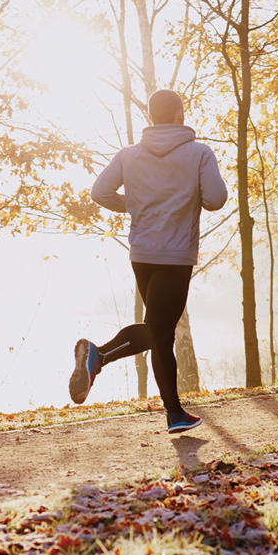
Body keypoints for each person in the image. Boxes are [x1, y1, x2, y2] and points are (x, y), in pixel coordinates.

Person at [69, 89, 228, 434]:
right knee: (160, 330)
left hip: (142, 254)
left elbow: (100, 192)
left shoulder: (129, 155)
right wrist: (188, 196)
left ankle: (172, 412)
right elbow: (216, 199)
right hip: (175, 255)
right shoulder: (199, 154)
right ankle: (103, 357)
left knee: (158, 329)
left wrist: (137, 204)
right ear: (179, 114)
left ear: (153, 117)